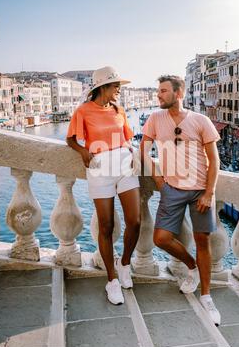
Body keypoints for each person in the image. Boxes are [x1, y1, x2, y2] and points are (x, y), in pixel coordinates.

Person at [140, 75, 221, 326]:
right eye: (158, 91)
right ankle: (192, 267)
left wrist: (209, 192)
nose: (158, 95)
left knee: (202, 241)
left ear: (178, 93)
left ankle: (207, 296)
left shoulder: (200, 120)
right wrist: (159, 181)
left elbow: (214, 159)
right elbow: (143, 149)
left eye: (163, 91)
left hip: (199, 191)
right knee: (160, 238)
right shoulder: (155, 118)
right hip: (171, 189)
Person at [66, 66, 141, 306]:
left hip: (123, 165)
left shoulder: (119, 109)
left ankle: (125, 263)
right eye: (115, 85)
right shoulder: (83, 111)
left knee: (135, 221)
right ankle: (112, 280)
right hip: (99, 168)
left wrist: (129, 148)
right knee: (106, 225)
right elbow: (70, 139)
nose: (119, 88)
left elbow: (127, 136)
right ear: (103, 87)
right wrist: (82, 151)